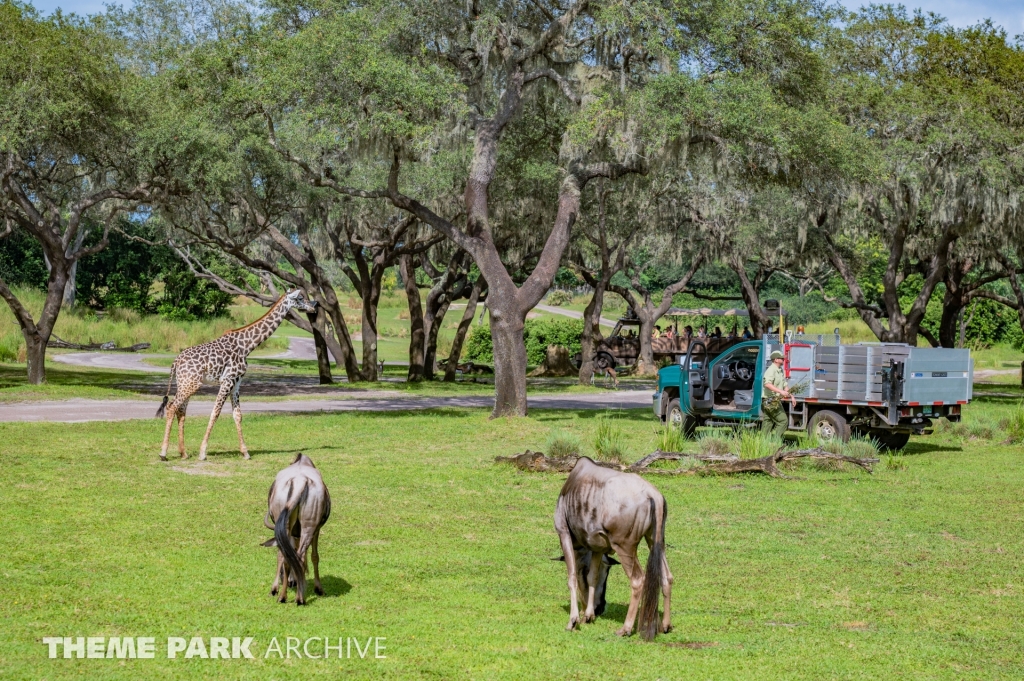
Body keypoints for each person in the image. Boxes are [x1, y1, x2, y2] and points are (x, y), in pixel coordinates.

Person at [762, 350, 796, 434]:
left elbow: (785, 385)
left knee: (768, 422)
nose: (783, 359)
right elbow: (767, 384)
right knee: (783, 421)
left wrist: (791, 396)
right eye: (781, 358)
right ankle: (774, 442)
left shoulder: (780, 370)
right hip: (770, 400)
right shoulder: (771, 370)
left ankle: (763, 443)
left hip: (775, 400)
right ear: (776, 359)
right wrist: (780, 391)